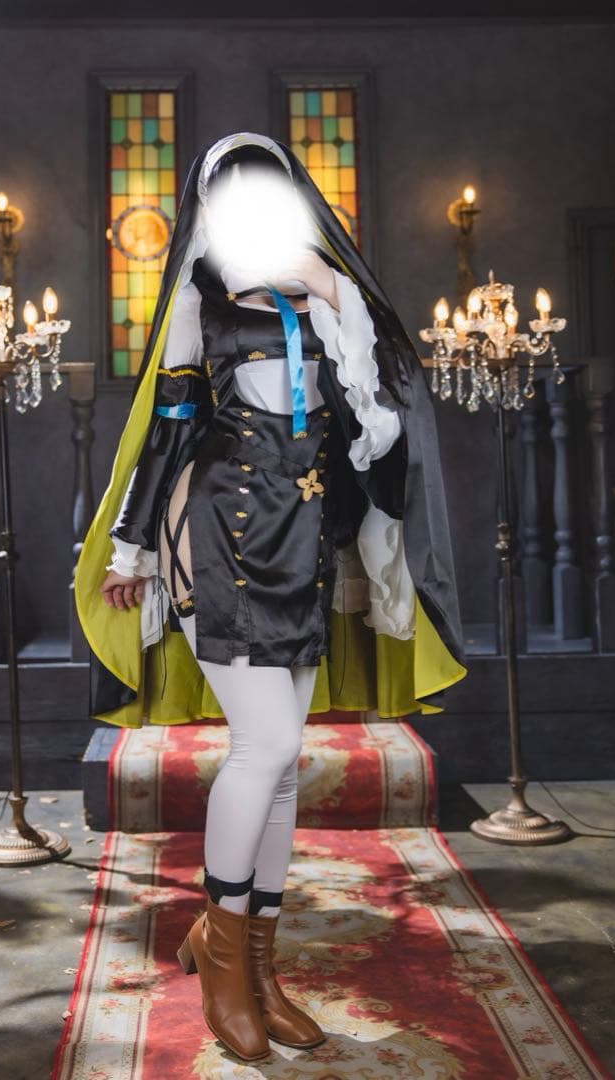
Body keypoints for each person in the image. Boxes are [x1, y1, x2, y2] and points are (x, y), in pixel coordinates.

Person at [74, 132, 467, 1063]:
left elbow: (378, 419)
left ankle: (255, 963)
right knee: (268, 746)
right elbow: (168, 430)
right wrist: (130, 547)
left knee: (283, 765)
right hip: (218, 529)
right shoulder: (197, 297)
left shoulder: (328, 294)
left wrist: (328, 287)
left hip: (304, 536)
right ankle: (222, 961)